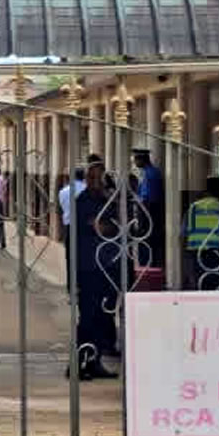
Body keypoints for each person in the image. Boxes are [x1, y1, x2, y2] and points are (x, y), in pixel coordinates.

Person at [71, 159, 118, 379]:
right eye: (90, 177)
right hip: (86, 268)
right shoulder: (81, 201)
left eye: (97, 178)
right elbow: (76, 236)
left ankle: (95, 361)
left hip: (106, 267)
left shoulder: (108, 201)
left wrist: (104, 228)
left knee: (101, 317)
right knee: (87, 318)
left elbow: (115, 229)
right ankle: (79, 363)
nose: (93, 182)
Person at [184, 177, 219, 290]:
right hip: (216, 248)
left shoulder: (194, 206)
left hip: (196, 248)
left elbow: (186, 229)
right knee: (214, 279)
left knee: (199, 278)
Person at [132, 149, 165, 268]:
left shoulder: (149, 174)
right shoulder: (150, 172)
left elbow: (147, 198)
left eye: (135, 159)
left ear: (141, 159)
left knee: (146, 245)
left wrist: (137, 201)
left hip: (148, 214)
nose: (134, 162)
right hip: (149, 213)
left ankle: (146, 268)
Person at [58, 166, 85, 290]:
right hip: (86, 229)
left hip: (70, 227)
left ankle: (71, 286)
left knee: (70, 257)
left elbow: (62, 209)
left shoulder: (63, 191)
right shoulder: (87, 190)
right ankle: (84, 284)